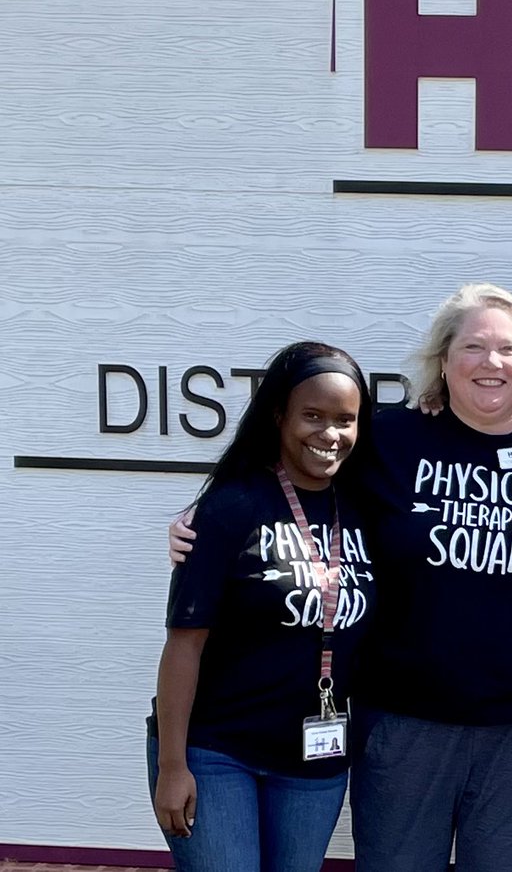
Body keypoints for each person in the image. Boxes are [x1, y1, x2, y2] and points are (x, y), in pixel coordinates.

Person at [348, 283, 512, 872]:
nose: (491, 363)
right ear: (444, 362)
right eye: (473, 347)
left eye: (508, 349)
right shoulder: (389, 438)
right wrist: (215, 512)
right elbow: (298, 476)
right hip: (404, 719)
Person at [148, 341, 375, 872]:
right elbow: (184, 645)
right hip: (218, 754)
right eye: (312, 416)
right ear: (279, 417)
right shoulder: (232, 507)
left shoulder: (366, 508)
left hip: (314, 762)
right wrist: (172, 765)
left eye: (346, 419)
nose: (330, 434)